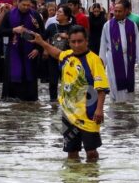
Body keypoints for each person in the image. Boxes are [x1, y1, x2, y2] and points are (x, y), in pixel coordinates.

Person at [33, 26, 109, 161]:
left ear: (86, 41)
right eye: (73, 42)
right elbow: (56, 53)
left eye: (80, 41)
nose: (76, 45)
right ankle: (73, 181)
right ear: (69, 42)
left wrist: (99, 110)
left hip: (89, 114)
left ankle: (92, 180)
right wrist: (41, 42)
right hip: (68, 114)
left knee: (91, 152)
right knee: (71, 152)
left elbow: (101, 88)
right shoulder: (67, 55)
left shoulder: (94, 60)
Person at [0, 0, 44, 101]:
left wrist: (38, 49)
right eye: (23, 5)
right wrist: (13, 30)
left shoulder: (35, 16)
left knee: (30, 80)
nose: (26, 7)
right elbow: (1, 31)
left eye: (28, 5)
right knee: (12, 81)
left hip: (30, 53)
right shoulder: (9, 15)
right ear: (18, 2)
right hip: (14, 51)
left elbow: (42, 33)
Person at [99, 0, 139, 103]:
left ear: (126, 11)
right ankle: (116, 101)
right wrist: (101, 62)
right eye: (115, 11)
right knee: (114, 80)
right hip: (113, 58)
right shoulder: (108, 25)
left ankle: (128, 102)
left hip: (128, 57)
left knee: (129, 79)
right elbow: (103, 44)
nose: (117, 13)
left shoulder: (132, 25)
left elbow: (137, 42)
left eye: (120, 11)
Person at [44, 4, 75, 102]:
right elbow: (43, 38)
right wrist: (45, 50)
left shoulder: (73, 28)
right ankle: (53, 102)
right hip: (53, 58)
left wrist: (67, 36)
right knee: (53, 81)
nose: (57, 13)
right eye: (57, 11)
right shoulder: (51, 27)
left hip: (68, 59)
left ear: (66, 16)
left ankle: (67, 101)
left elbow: (81, 40)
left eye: (60, 12)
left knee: (67, 81)